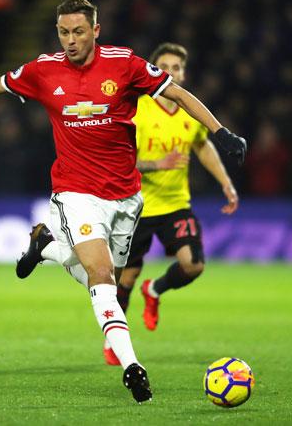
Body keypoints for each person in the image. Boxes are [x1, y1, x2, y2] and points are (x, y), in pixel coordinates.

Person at [0, 0, 246, 402]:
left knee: (100, 275)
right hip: (76, 191)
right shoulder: (44, 69)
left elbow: (179, 96)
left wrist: (220, 132)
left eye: (79, 31)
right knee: (100, 275)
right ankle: (132, 365)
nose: (71, 40)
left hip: (127, 196)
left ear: (96, 30)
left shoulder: (125, 64)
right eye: (64, 32)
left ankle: (46, 248)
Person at [103, 43, 240, 366]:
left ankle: (155, 291)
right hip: (135, 206)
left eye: (176, 67)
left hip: (176, 205)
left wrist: (225, 182)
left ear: (183, 72)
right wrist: (157, 164)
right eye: (164, 66)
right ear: (153, 70)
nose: (171, 72)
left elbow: (202, 147)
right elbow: (118, 160)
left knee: (194, 264)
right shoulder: (136, 109)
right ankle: (114, 341)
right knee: (123, 281)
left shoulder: (190, 113)